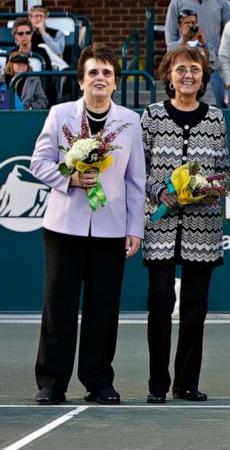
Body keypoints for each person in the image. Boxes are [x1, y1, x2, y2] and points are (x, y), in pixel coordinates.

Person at [30, 43, 145, 405]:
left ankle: (98, 381)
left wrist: (134, 228)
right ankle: (51, 382)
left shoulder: (129, 121)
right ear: (81, 80)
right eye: (93, 72)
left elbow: (135, 181)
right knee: (58, 306)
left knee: (104, 308)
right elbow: (39, 162)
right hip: (64, 226)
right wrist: (69, 178)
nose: (100, 78)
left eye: (107, 73)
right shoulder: (60, 114)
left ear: (115, 83)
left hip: (110, 230)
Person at [141, 46, 227, 404]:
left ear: (203, 76)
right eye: (180, 70)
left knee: (195, 308)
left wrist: (209, 190)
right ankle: (158, 384)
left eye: (194, 69)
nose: (187, 75)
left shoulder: (216, 119)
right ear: (169, 76)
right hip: (160, 228)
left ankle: (186, 383)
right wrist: (159, 190)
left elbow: (223, 171)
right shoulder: (152, 116)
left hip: (202, 230)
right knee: (160, 306)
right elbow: (137, 170)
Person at [165, 0, 230, 108]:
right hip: (185, 66)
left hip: (212, 67)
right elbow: (170, 36)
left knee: (213, 110)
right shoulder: (178, 0)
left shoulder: (221, 2)